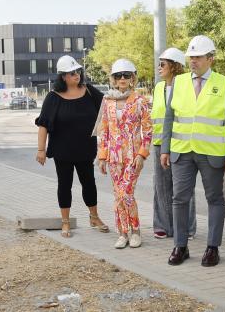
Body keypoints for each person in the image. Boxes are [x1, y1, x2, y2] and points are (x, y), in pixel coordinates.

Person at [161, 35, 225, 267]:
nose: (193, 62)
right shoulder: (179, 82)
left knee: (215, 199)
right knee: (179, 199)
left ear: (210, 59)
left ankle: (212, 248)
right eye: (190, 58)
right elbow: (169, 117)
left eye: (197, 57)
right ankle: (180, 246)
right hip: (181, 152)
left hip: (212, 153)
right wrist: (165, 148)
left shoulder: (224, 84)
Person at [35, 55, 108, 238]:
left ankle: (94, 217)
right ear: (63, 77)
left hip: (85, 148)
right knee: (64, 185)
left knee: (89, 183)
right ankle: (65, 222)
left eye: (78, 71)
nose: (77, 75)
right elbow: (43, 125)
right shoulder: (53, 98)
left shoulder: (89, 91)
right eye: (72, 73)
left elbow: (108, 106)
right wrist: (41, 150)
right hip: (63, 150)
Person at [95, 58, 151, 249]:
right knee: (118, 195)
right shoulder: (107, 101)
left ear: (132, 78)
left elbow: (148, 130)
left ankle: (135, 230)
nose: (122, 79)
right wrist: (102, 157)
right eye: (118, 76)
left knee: (126, 193)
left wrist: (142, 154)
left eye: (126, 75)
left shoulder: (140, 101)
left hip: (132, 156)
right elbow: (104, 130)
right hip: (113, 157)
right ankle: (122, 233)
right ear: (113, 78)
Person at [150, 47, 197, 240]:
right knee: (160, 185)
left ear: (174, 66)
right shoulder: (159, 87)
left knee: (183, 187)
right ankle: (163, 225)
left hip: (181, 143)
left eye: (162, 64)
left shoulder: (187, 86)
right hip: (160, 143)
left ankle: (187, 227)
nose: (159, 67)